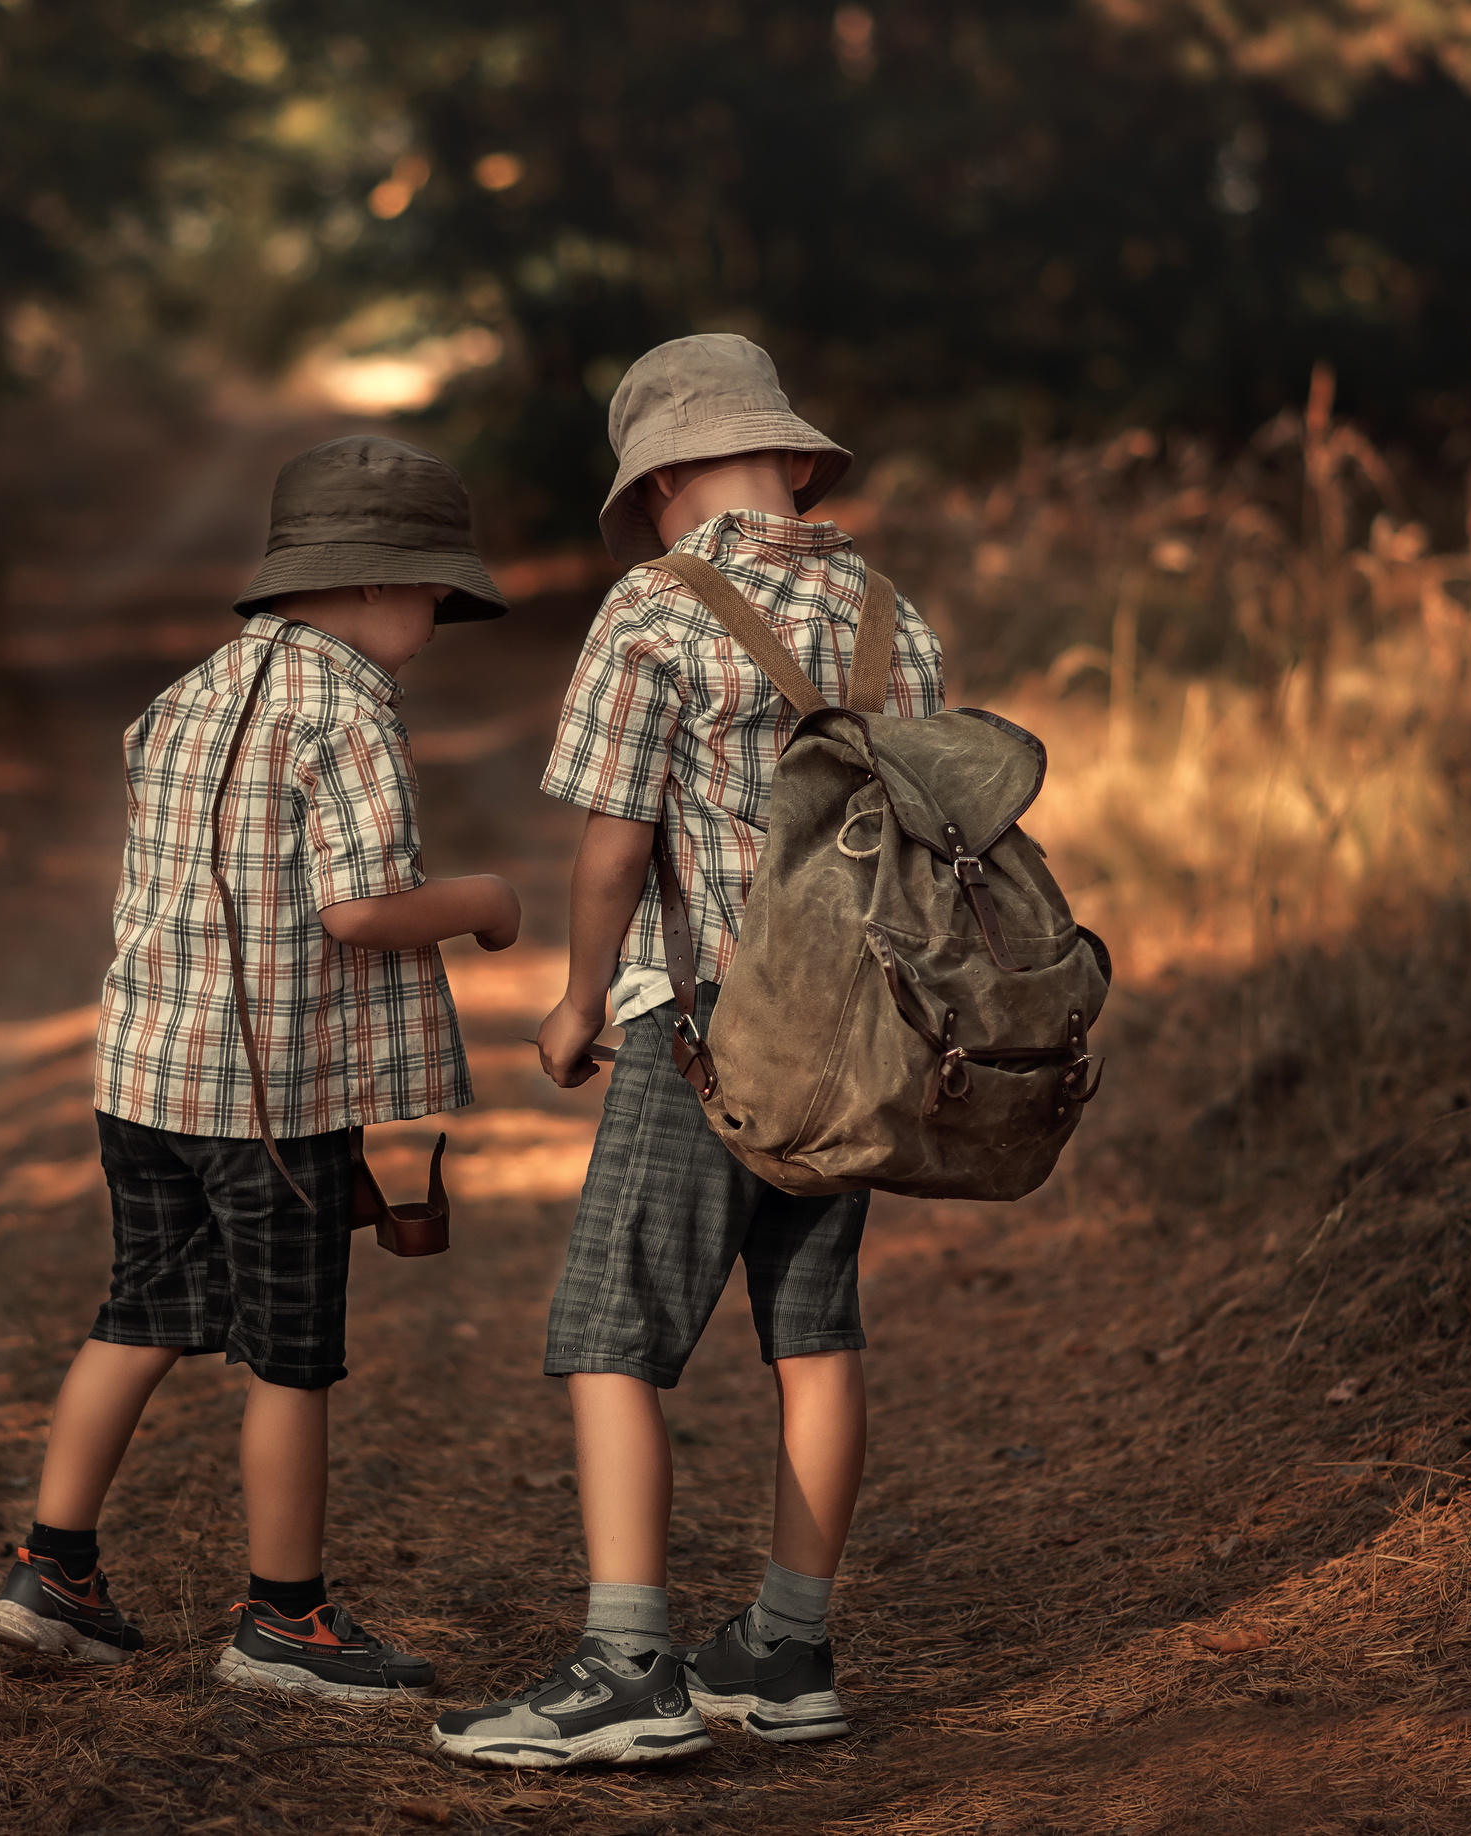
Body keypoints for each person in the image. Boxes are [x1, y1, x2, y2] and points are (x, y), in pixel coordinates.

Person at [429, 335, 946, 1767]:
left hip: (709, 1029)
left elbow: (614, 842)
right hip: (859, 1035)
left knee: (610, 1337)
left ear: (657, 483)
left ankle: (627, 1665)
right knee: (814, 1335)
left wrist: (583, 998)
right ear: (790, 461)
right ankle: (790, 1650)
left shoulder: (653, 611)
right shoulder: (896, 615)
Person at [0, 435, 520, 1701]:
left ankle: (50, 1571)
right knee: (290, 1353)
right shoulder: (347, 714)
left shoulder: (185, 695)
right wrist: (484, 901)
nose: (436, 620)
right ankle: (284, 1618)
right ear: (382, 585)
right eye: (436, 597)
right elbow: (358, 911)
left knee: (142, 1314)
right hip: (273, 1102)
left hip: (146, 1079)